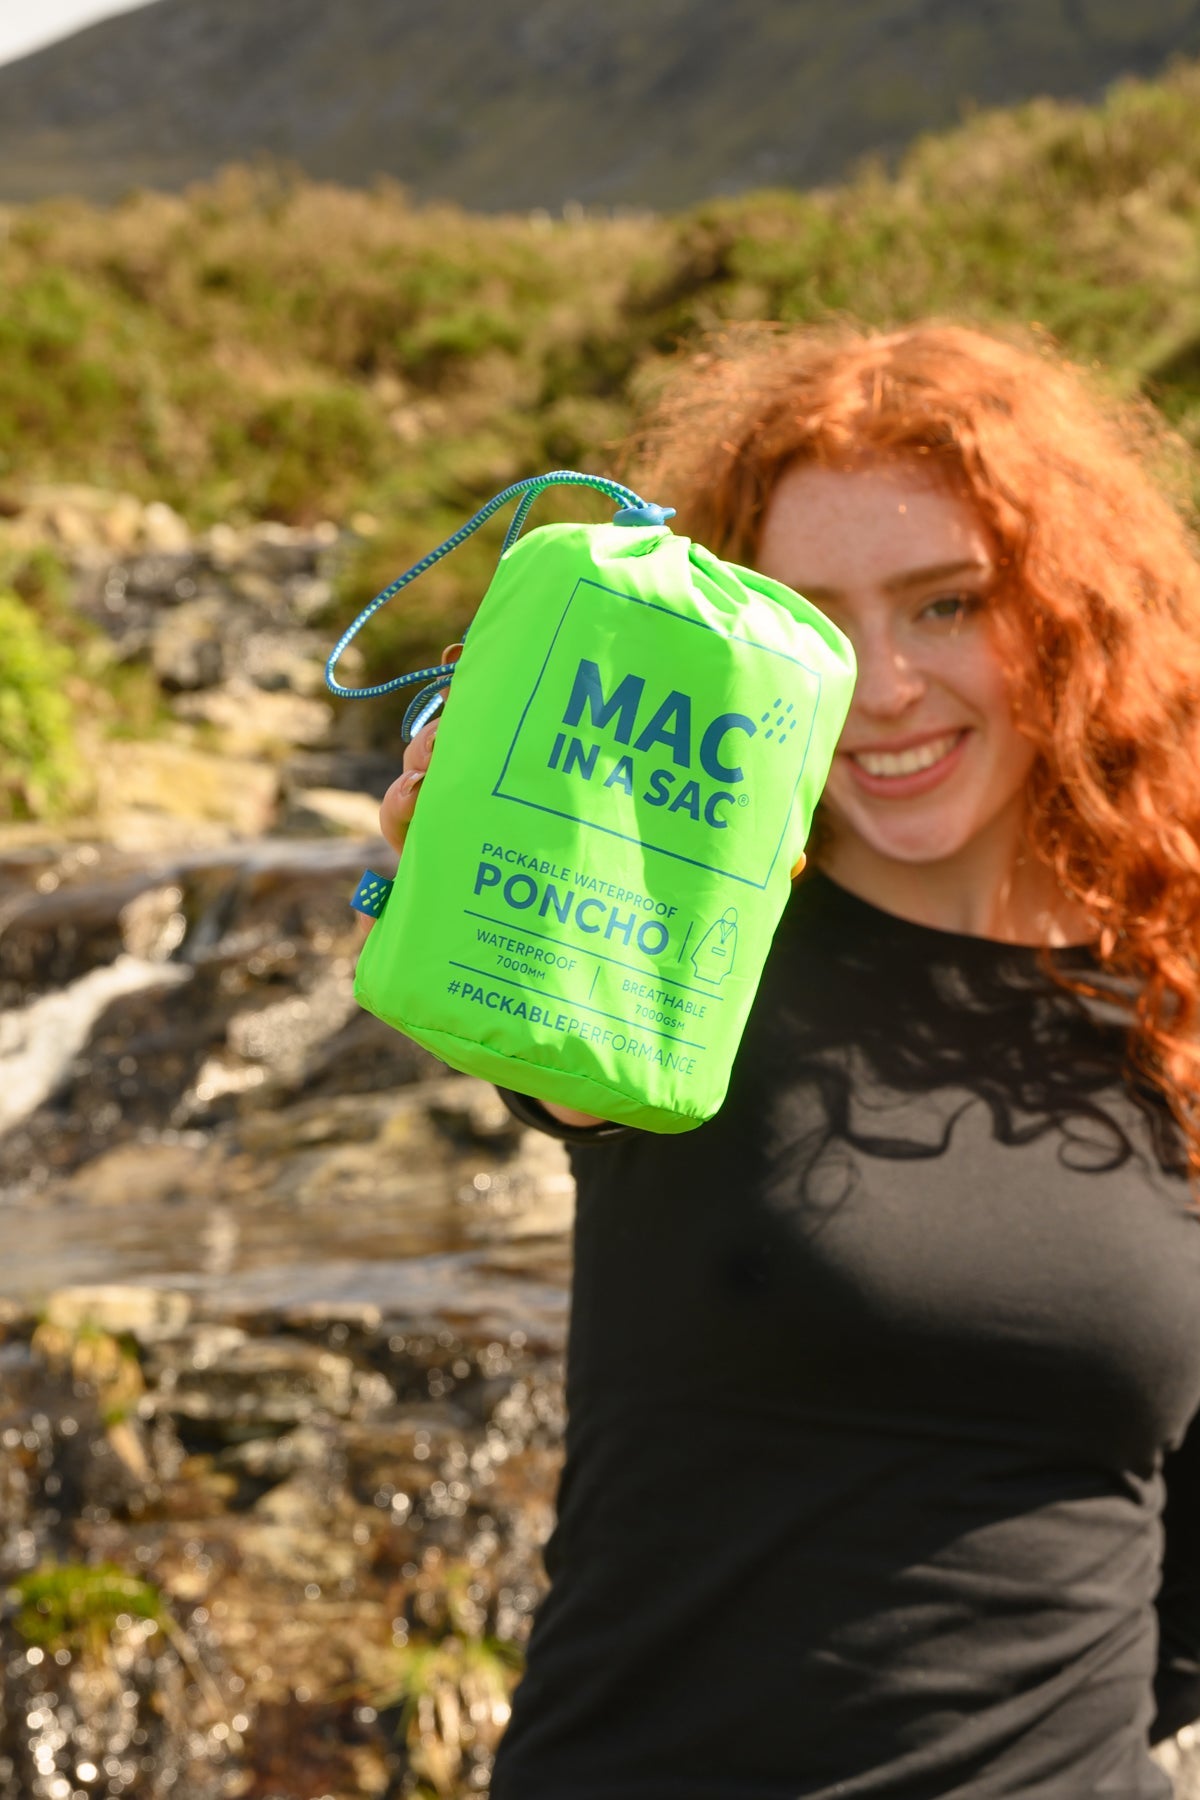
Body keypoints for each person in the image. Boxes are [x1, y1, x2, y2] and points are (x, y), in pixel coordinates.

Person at [367, 322, 1200, 1797]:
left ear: (1071, 617)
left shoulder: (1178, 1003)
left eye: (947, 604)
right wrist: (472, 868)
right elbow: (562, 1067)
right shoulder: (689, 947)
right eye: (817, 624)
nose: (883, 686)